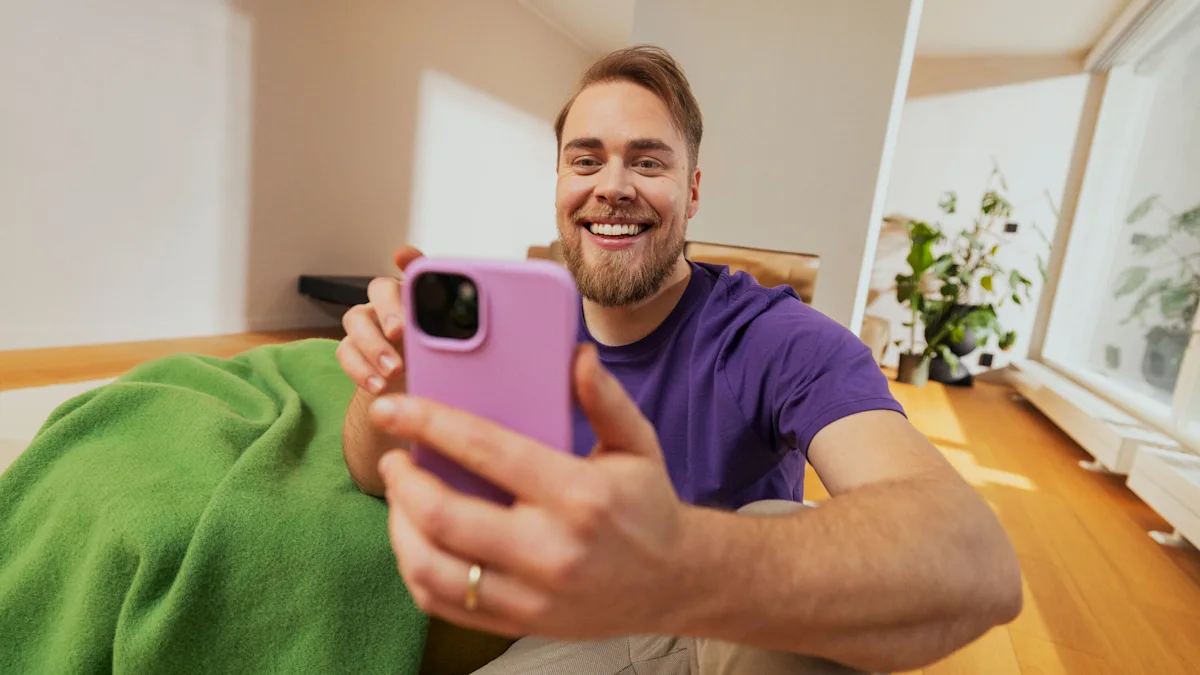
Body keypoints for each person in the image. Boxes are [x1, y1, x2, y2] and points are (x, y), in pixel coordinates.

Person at [336, 45, 1021, 674]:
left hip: (725, 620)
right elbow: (371, 471)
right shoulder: (516, 331)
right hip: (572, 632)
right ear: (558, 186)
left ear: (691, 192)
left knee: (777, 523)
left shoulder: (777, 337)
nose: (612, 184)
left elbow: (975, 560)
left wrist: (675, 558)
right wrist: (384, 387)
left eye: (647, 160)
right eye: (585, 159)